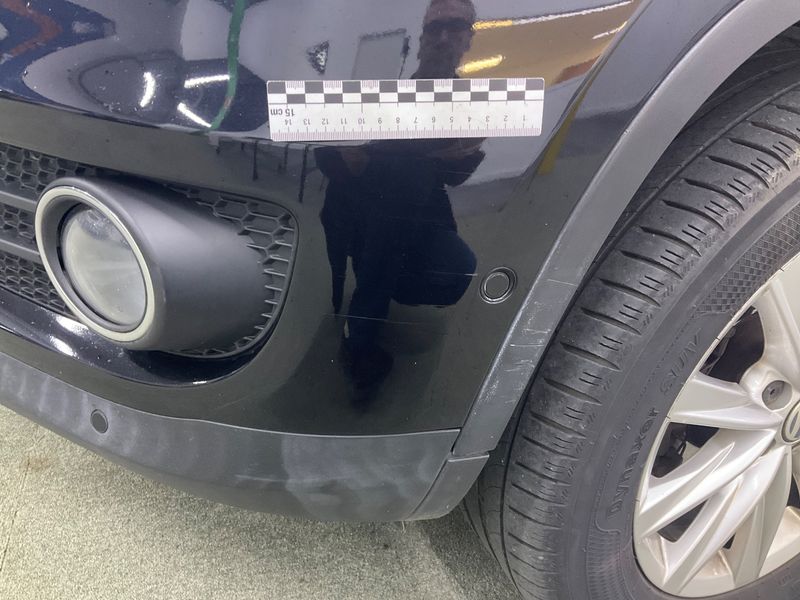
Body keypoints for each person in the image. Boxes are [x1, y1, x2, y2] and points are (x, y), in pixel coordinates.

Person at [316, 0, 483, 392]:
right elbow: (328, 154)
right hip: (358, 210)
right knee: (405, 187)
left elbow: (455, 178)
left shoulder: (470, 102)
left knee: (457, 270)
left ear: (468, 39)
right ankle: (361, 335)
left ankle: (376, 281)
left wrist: (467, 151)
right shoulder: (384, 85)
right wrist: (357, 159)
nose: (443, 38)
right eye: (434, 28)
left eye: (455, 27)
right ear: (420, 38)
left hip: (416, 217)